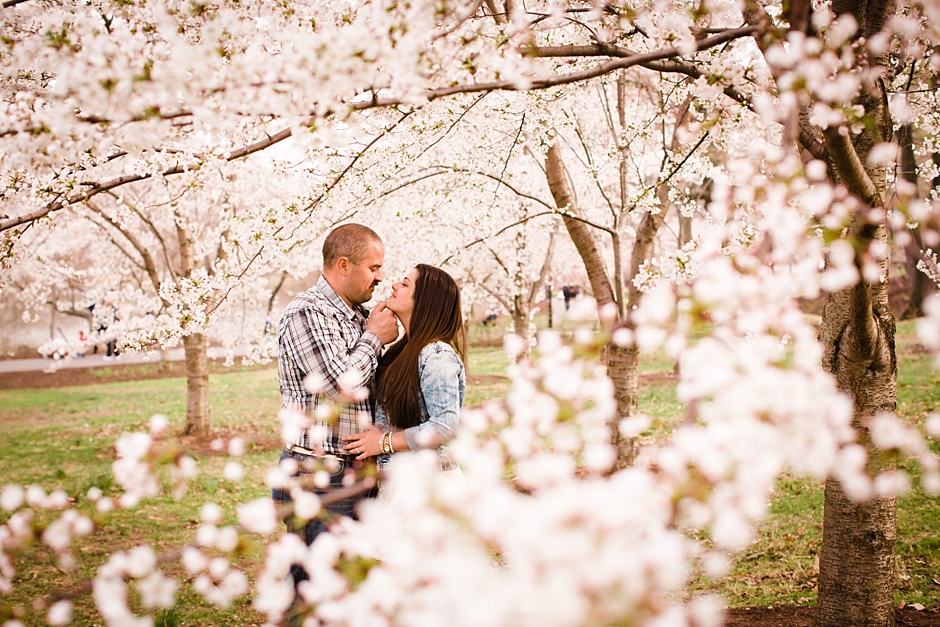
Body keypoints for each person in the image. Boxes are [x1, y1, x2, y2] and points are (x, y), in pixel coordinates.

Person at [271, 224, 399, 602]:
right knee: (313, 595)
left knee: (343, 595)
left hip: (356, 474)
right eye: (373, 268)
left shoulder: (356, 316)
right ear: (343, 264)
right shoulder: (306, 313)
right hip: (319, 477)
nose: (380, 277)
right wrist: (374, 337)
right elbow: (340, 386)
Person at [342, 264, 466, 476]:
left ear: (425, 301)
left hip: (430, 483)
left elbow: (444, 427)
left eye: (405, 284)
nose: (394, 285)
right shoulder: (400, 353)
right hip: (403, 481)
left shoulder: (437, 355)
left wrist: (383, 442)